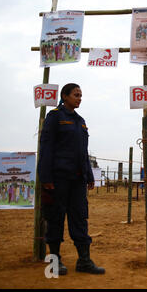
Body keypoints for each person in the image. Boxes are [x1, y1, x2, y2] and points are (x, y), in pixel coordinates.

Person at [38, 83, 105, 275]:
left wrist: (89, 175)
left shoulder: (80, 121)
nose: (79, 98)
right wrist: (46, 177)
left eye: (81, 95)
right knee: (55, 219)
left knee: (80, 219)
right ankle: (54, 263)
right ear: (64, 96)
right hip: (58, 179)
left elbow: (83, 152)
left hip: (77, 181)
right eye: (76, 95)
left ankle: (84, 261)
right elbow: (46, 148)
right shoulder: (55, 117)